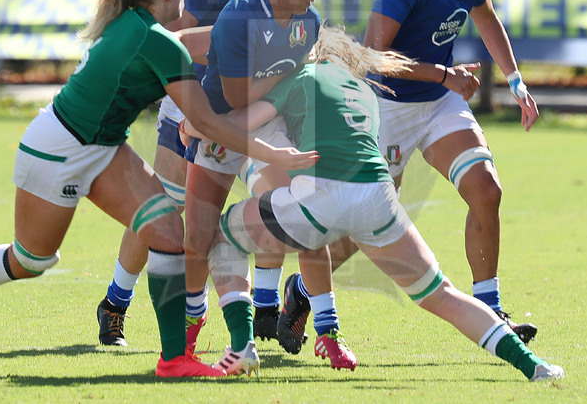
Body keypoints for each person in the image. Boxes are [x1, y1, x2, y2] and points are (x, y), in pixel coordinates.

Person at [0, 0, 317, 378]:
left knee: (165, 232)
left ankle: (173, 359)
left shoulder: (142, 28)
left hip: (104, 145)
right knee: (30, 260)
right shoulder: (156, 40)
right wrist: (272, 151)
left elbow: (205, 50)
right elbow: (203, 121)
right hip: (58, 146)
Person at [184, 25, 564, 381]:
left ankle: (241, 346)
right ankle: (535, 366)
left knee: (216, 236)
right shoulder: (362, 89)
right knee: (443, 294)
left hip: (321, 200)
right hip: (378, 199)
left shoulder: (298, 77)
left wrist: (192, 126)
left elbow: (237, 125)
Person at [281, 0, 540, 344]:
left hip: (439, 101)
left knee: (486, 188)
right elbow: (372, 56)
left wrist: (515, 81)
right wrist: (443, 74)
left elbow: (487, 20)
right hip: (386, 106)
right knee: (366, 225)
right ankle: (303, 290)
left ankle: (492, 310)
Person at [94, 0, 338, 352]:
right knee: (164, 209)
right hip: (197, 103)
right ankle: (115, 302)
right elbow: (176, 38)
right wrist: (234, 35)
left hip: (254, 112)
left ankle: (267, 306)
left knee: (280, 202)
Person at [183, 0, 357, 373]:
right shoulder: (241, 15)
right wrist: (200, 122)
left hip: (264, 125)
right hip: (222, 126)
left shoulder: (309, 20)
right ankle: (192, 323)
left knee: (305, 215)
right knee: (197, 236)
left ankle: (328, 333)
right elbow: (239, 97)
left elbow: (284, 95)